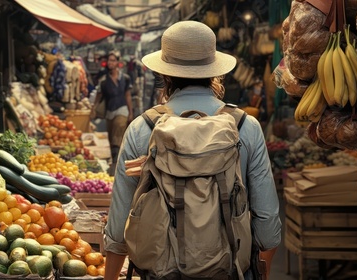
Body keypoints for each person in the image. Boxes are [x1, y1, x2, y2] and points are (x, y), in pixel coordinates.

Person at [103, 21, 281, 280]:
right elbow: (268, 229)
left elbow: (118, 231)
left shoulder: (142, 129)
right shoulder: (245, 127)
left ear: (165, 75)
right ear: (214, 72)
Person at [90, 51, 133, 173]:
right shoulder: (103, 81)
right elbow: (98, 96)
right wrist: (93, 108)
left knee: (118, 132)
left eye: (113, 60)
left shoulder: (125, 78)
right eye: (109, 60)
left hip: (122, 110)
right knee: (111, 138)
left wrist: (130, 113)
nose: (110, 63)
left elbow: (128, 95)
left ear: (118, 63)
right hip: (109, 112)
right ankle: (117, 159)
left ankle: (116, 164)